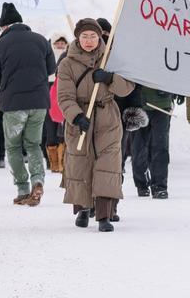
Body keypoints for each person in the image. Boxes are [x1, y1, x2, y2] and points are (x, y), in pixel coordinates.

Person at [56, 19, 134, 232]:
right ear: (77, 38)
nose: (89, 41)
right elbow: (63, 97)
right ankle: (83, 209)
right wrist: (76, 116)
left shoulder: (111, 58)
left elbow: (127, 88)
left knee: (108, 165)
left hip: (107, 118)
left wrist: (110, 78)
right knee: (81, 163)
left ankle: (104, 215)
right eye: (84, 36)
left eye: (93, 36)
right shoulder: (67, 63)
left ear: (99, 37)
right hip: (81, 120)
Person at [0, 2, 56, 206]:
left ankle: (23, 188)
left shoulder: (0, 44)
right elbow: (51, 69)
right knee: (34, 144)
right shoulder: (41, 40)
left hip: (13, 104)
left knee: (14, 146)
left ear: (4, 27)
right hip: (39, 102)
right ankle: (38, 180)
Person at [132, 86, 176, 199]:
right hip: (138, 106)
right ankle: (141, 184)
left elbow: (176, 73)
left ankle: (160, 186)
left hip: (162, 105)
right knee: (138, 147)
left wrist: (173, 90)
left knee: (160, 147)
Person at [44, 34, 69, 173]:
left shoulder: (68, 55)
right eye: (57, 42)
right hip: (50, 90)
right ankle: (53, 162)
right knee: (51, 128)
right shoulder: (48, 56)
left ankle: (62, 161)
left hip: (63, 89)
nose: (60, 45)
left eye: (62, 42)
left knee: (64, 130)